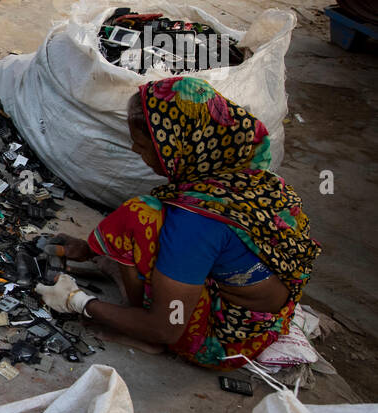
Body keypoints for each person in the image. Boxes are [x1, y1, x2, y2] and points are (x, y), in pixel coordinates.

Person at [35, 76, 320, 369]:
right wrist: (90, 250)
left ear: (179, 145)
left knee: (139, 217)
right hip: (270, 319)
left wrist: (77, 301)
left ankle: (143, 336)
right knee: (154, 220)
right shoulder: (250, 179)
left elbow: (167, 326)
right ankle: (121, 271)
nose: (136, 151)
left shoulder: (194, 221)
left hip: (225, 343)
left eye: (144, 145)